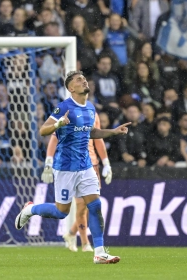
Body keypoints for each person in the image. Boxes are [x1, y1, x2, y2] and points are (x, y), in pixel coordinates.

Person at [15, 70, 130, 264]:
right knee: (62, 212)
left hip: (85, 166)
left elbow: (91, 132)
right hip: (65, 167)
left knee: (95, 206)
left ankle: (99, 252)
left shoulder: (91, 108)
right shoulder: (64, 107)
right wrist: (59, 123)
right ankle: (30, 209)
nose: (84, 82)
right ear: (71, 88)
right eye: (79, 80)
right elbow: (43, 130)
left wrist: (113, 132)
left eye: (85, 79)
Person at [41, 112, 112, 252]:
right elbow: (54, 139)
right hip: (73, 166)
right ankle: (85, 243)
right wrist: (48, 162)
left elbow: (98, 139)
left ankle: (72, 233)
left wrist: (106, 163)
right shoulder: (67, 113)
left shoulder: (93, 114)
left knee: (88, 206)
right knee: (80, 206)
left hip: (92, 165)